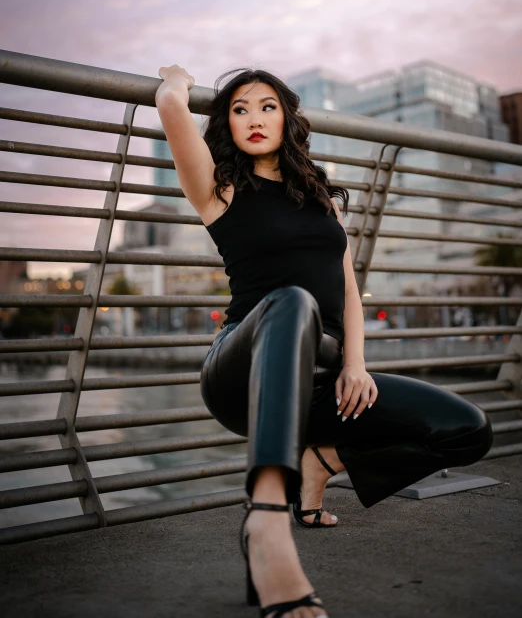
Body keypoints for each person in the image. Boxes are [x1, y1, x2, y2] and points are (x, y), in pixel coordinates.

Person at [155, 64, 493, 618]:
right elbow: (171, 107)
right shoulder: (219, 188)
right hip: (243, 370)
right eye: (239, 110)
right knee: (293, 300)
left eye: (267, 106)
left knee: (468, 431)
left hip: (323, 380)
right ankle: (265, 522)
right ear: (227, 126)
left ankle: (321, 461)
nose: (254, 118)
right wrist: (176, 79)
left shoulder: (319, 197)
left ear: (287, 117)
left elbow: (350, 292)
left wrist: (355, 364)